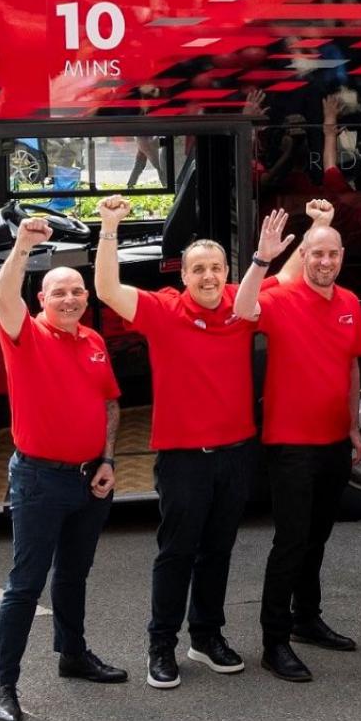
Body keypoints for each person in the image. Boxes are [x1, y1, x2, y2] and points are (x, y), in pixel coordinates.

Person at [94, 196, 259, 689]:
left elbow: (292, 278)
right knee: (177, 552)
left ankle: (206, 637)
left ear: (228, 271)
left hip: (235, 454)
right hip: (185, 459)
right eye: (199, 270)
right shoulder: (162, 309)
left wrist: (315, 227)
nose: (209, 277)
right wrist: (108, 227)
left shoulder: (242, 304)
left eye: (216, 268)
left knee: (219, 550)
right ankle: (161, 646)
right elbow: (105, 288)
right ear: (183, 276)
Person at [0, 218, 125, 721]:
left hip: (91, 480)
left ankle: (73, 654)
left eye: (76, 291)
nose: (69, 299)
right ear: (41, 299)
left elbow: (110, 402)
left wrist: (109, 459)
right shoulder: (23, 333)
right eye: (58, 292)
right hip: (40, 481)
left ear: (86, 297)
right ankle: (5, 683)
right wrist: (23, 246)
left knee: (73, 574)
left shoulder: (92, 339)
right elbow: (5, 293)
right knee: (25, 584)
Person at [233, 200, 361, 682]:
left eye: (332, 254)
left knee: (317, 538)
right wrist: (261, 259)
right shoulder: (281, 295)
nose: (325, 262)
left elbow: (353, 365)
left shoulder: (351, 302)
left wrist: (354, 426)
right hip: (290, 443)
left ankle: (307, 618)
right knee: (291, 541)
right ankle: (275, 641)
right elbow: (241, 308)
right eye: (317, 254)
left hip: (335, 439)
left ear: (341, 256)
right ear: (305, 256)